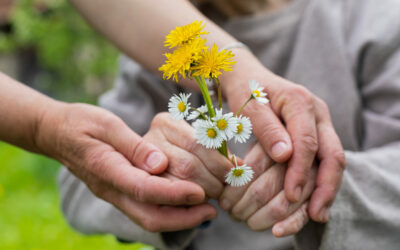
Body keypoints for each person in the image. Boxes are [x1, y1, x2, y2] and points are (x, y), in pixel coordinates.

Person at [59, 0, 400, 249]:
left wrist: (324, 187)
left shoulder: (373, 19)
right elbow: (76, 184)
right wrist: (151, 172)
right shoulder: (163, 47)